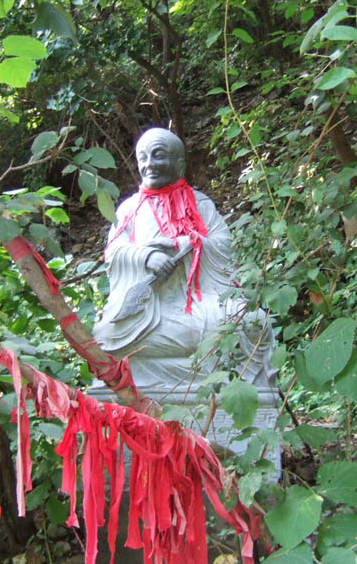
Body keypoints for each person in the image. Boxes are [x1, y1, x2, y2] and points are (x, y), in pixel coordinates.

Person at [93, 128, 275, 390]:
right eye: (143, 158)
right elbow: (113, 252)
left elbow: (224, 245)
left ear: (179, 163)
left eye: (158, 156)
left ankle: (228, 384)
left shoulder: (200, 204)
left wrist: (190, 244)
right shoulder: (129, 209)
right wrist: (145, 256)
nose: (149, 164)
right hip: (151, 312)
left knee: (253, 322)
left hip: (201, 303)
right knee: (104, 337)